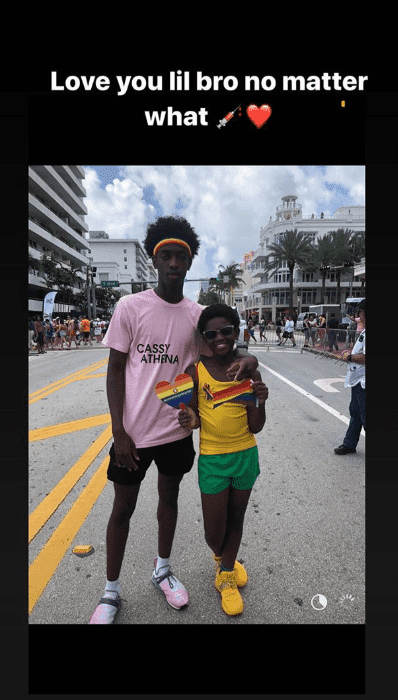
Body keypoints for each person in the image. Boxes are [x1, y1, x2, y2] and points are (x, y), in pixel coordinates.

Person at [89, 216, 259, 624]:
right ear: (155, 260)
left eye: (180, 256)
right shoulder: (130, 307)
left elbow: (225, 352)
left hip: (176, 433)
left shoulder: (197, 315)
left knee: (169, 503)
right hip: (133, 435)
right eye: (165, 256)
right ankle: (110, 594)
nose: (173, 264)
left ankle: (162, 570)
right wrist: (118, 430)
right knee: (122, 510)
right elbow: (115, 372)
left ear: (188, 261)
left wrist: (250, 359)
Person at [178, 304, 268, 616]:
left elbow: (256, 425)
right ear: (203, 337)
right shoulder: (196, 371)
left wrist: (261, 399)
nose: (220, 338)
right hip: (213, 460)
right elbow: (195, 418)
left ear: (236, 332)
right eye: (212, 333)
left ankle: (226, 577)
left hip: (245, 455)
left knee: (237, 520)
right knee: (213, 532)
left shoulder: (247, 368)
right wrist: (189, 418)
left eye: (226, 331)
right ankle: (222, 557)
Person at [334, 300, 366, 455]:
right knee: (355, 412)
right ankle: (350, 443)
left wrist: (350, 357)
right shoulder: (365, 332)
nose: (358, 316)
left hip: (364, 382)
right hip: (358, 380)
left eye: (360, 313)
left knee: (365, 415)